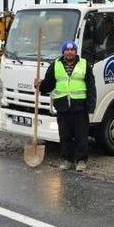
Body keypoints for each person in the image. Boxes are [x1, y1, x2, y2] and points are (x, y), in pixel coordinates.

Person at [35, 41, 96, 172]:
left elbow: (91, 87)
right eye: (67, 50)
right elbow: (48, 85)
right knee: (65, 135)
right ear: (63, 52)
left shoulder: (85, 64)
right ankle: (67, 160)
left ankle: (81, 160)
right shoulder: (55, 65)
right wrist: (39, 84)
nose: (69, 52)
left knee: (81, 135)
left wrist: (91, 105)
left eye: (72, 50)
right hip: (62, 106)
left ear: (75, 52)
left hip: (80, 106)